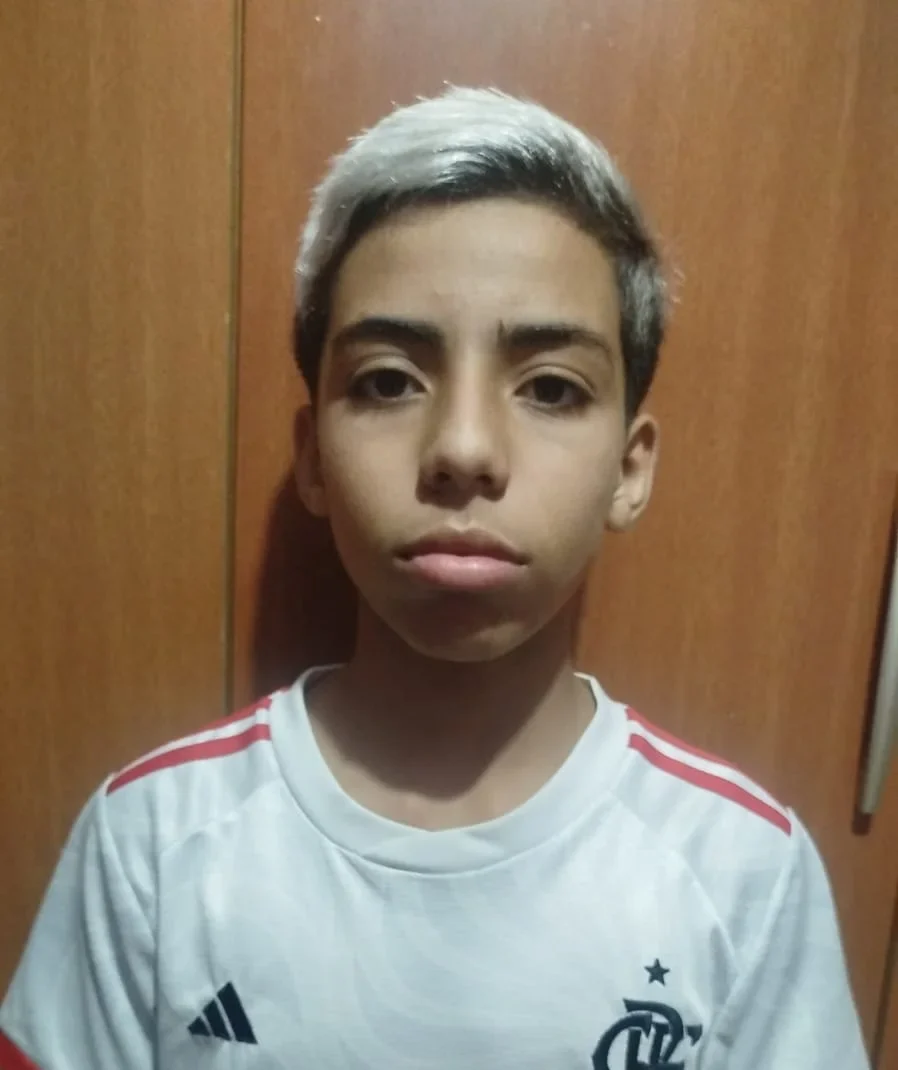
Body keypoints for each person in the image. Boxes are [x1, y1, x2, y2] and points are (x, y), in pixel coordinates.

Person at [0, 87, 868, 1070]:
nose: (462, 448)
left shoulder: (742, 870)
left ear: (629, 470)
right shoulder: (153, 841)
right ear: (313, 457)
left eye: (550, 388)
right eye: (388, 380)